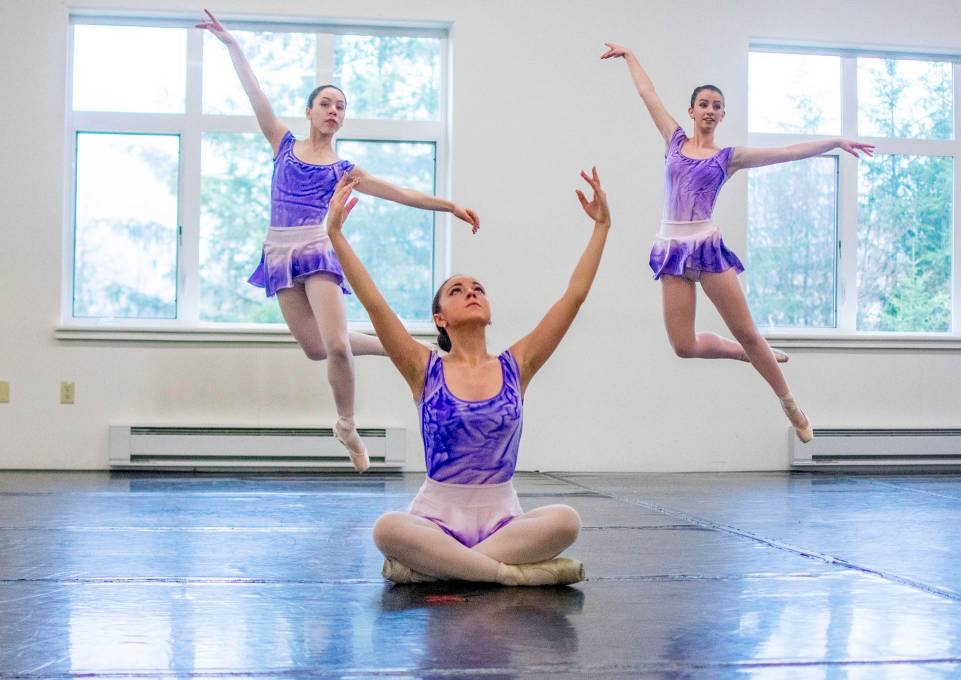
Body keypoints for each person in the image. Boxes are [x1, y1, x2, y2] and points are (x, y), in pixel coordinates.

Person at [197, 10, 480, 469]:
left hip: (318, 249)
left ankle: (347, 424)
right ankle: (399, 343)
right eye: (326, 103)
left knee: (337, 346)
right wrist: (232, 46)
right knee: (316, 348)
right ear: (309, 111)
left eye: (341, 107)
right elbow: (256, 95)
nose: (334, 110)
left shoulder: (343, 171)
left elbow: (400, 192)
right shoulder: (282, 143)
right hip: (279, 251)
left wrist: (448, 205)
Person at [323, 169, 612, 585]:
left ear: (489, 311)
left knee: (566, 521)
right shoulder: (423, 368)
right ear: (440, 318)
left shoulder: (519, 364)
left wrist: (602, 226)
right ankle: (509, 574)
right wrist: (335, 235)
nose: (472, 292)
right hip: (435, 516)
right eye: (457, 291)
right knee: (387, 528)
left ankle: (438, 568)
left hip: (503, 519)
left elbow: (574, 296)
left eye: (478, 288)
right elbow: (375, 305)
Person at [601, 43, 875, 442]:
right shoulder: (673, 140)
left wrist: (832, 142)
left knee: (748, 330)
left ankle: (791, 406)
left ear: (722, 115)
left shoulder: (727, 157)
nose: (710, 110)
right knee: (683, 345)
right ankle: (743, 354)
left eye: (717, 106)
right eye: (703, 104)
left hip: (706, 246)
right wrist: (628, 55)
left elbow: (785, 152)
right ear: (692, 111)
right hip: (672, 248)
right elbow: (648, 94)